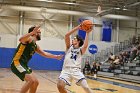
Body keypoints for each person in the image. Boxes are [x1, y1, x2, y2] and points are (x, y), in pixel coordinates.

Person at [11, 25, 63, 93]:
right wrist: (31, 33)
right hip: (17, 63)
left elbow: (44, 54)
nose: (40, 34)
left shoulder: (35, 45)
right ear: (34, 33)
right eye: (39, 32)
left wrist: (55, 56)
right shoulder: (29, 38)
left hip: (24, 65)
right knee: (31, 80)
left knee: (35, 82)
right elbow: (21, 39)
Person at [57, 24, 93, 93]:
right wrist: (77, 28)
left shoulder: (80, 50)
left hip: (76, 70)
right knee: (60, 85)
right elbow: (66, 36)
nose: (72, 40)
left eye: (74, 39)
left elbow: (85, 46)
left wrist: (87, 33)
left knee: (86, 87)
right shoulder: (68, 47)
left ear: (78, 41)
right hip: (66, 70)